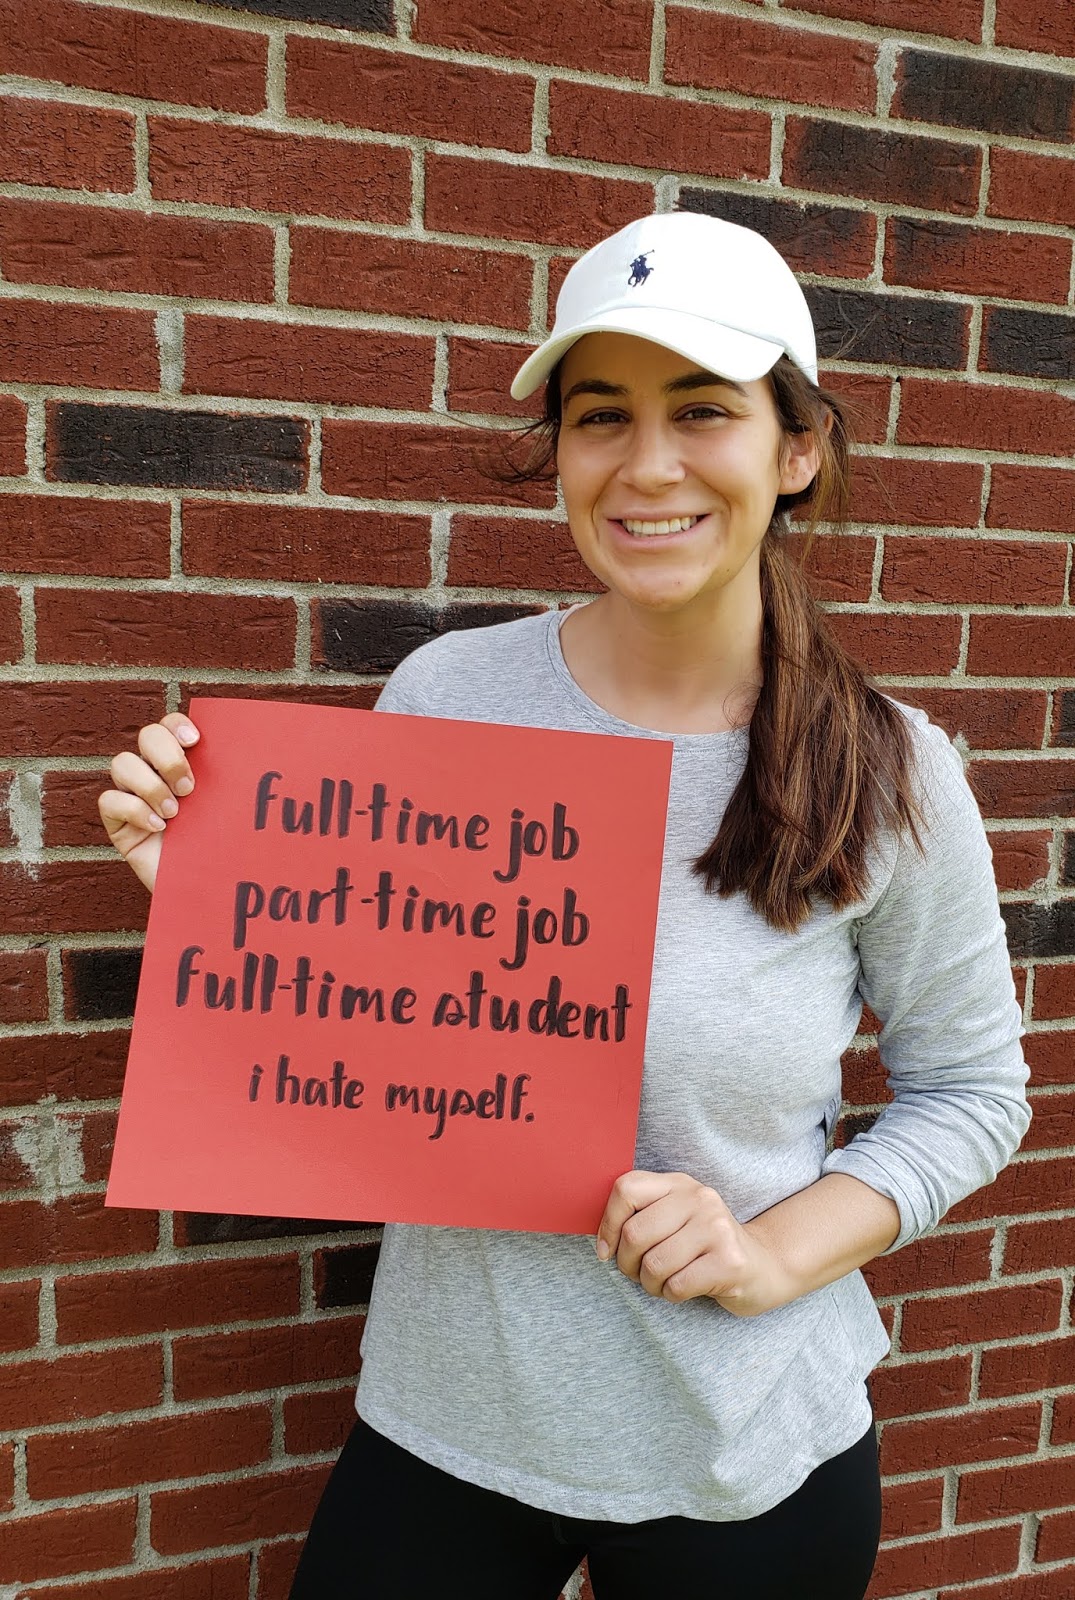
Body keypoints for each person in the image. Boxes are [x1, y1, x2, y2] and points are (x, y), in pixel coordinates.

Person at [99, 211, 1031, 1600]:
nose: (646, 465)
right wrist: (224, 902)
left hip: (743, 1449)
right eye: (602, 417)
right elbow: (383, 1036)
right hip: (447, 1423)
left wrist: (771, 1253)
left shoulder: (889, 772)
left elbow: (974, 1092)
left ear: (797, 450)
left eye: (702, 410)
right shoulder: (448, 698)